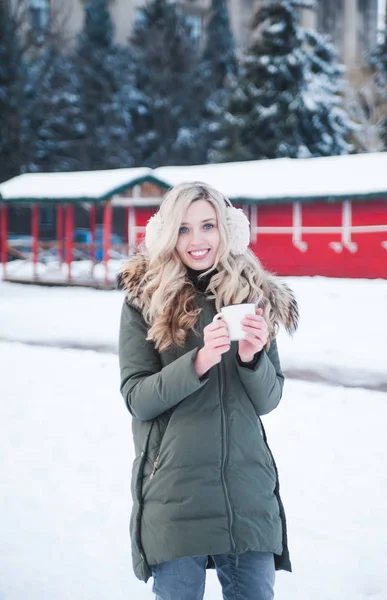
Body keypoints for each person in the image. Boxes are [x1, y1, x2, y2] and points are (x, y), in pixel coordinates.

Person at [118, 182, 299, 600]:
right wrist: (197, 362)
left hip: (247, 494)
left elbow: (269, 400)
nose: (197, 241)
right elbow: (137, 397)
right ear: (167, 234)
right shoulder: (144, 299)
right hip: (176, 496)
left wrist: (252, 357)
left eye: (207, 226)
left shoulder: (253, 295)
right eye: (183, 229)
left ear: (226, 230)